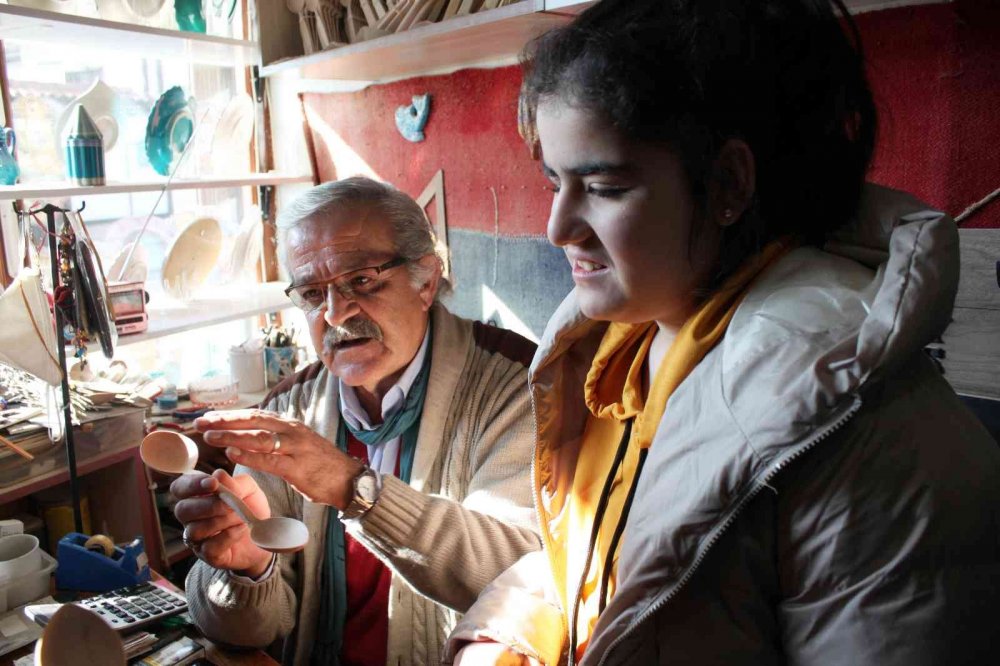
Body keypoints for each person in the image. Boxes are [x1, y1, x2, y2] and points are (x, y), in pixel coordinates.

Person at [447, 1, 1000, 664]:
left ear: (728, 184)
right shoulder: (625, 342)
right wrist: (504, 635)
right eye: (553, 183)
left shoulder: (864, 435)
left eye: (602, 186)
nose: (558, 228)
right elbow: (615, 560)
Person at [171, 177, 541, 666]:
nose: (335, 312)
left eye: (362, 280)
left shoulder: (517, 386)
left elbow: (518, 580)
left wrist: (352, 487)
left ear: (426, 280)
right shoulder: (287, 411)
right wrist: (246, 569)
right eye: (311, 292)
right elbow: (245, 633)